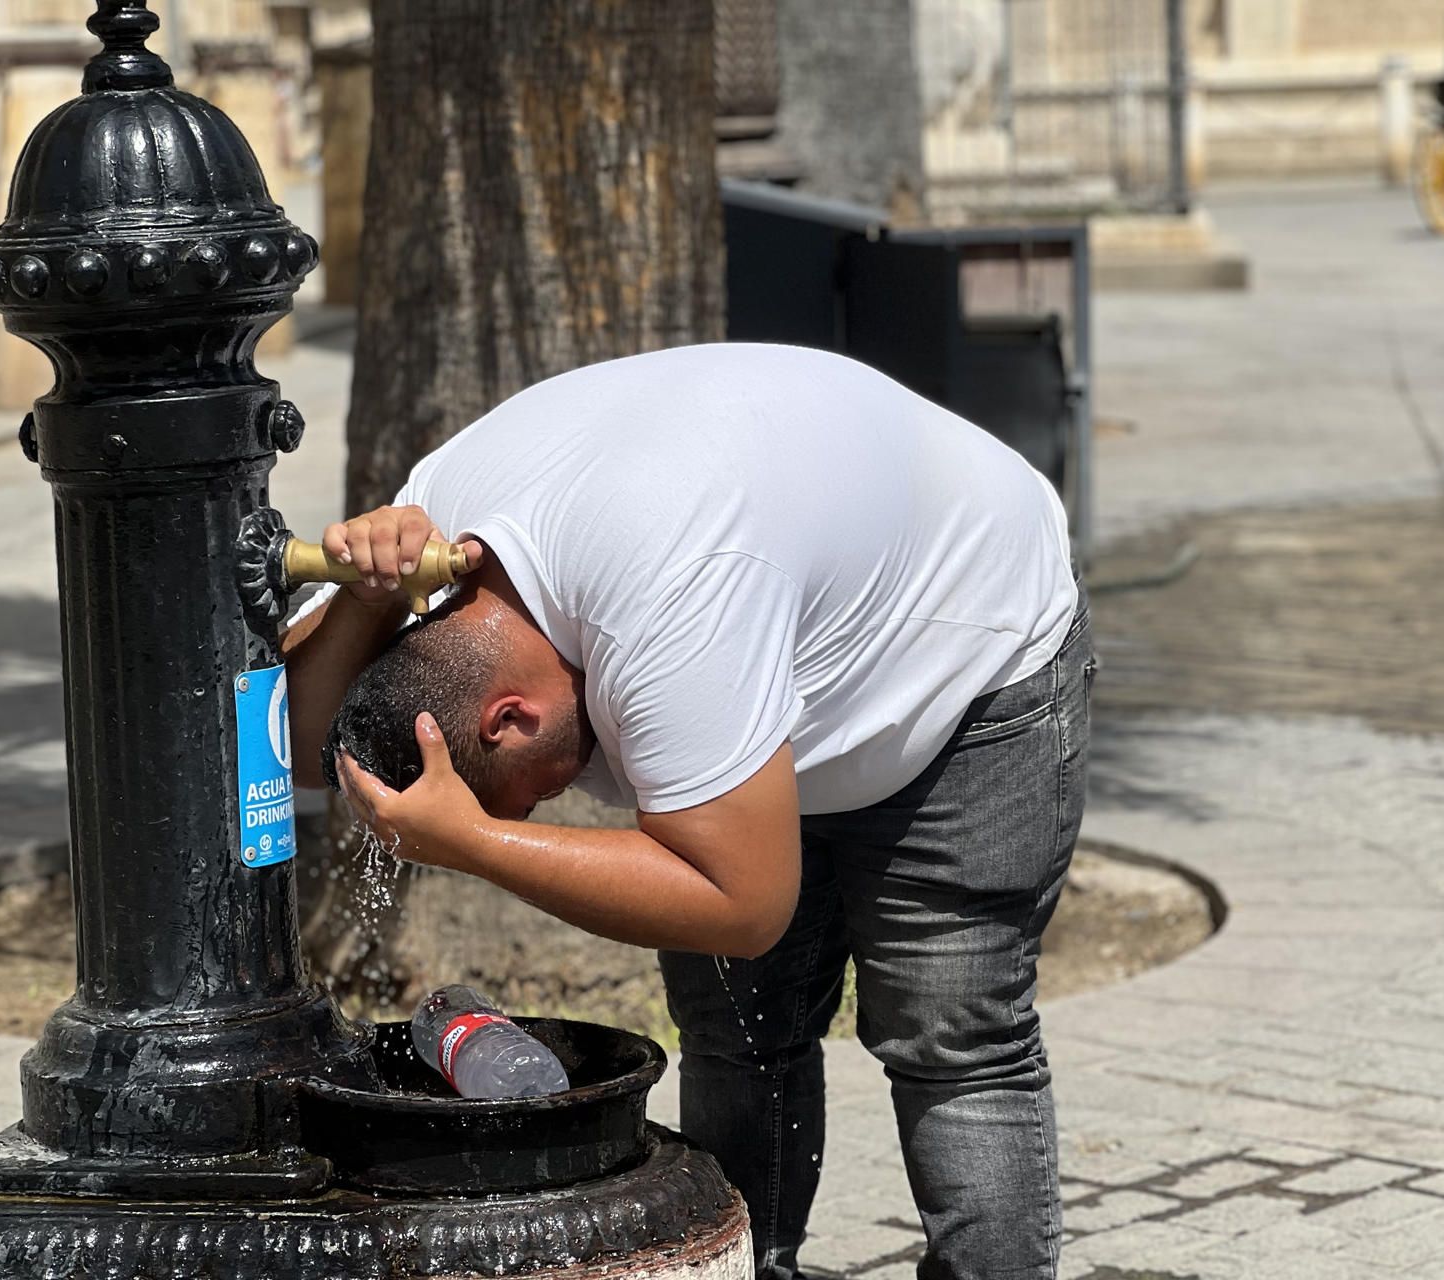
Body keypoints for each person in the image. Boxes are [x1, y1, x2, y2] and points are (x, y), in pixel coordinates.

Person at [283, 343, 1088, 1279]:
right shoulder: (437, 548)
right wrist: (362, 603)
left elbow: (742, 906)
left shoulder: (668, 605)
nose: (552, 803)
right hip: (779, 632)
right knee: (740, 1036)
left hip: (961, 661)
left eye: (533, 794)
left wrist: (480, 841)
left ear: (509, 718)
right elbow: (305, 748)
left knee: (952, 1039)